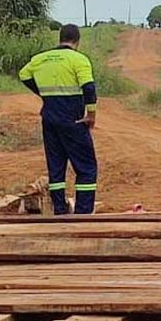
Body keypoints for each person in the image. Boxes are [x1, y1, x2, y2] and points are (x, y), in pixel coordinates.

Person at [18, 24, 97, 214]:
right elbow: (89, 88)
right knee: (86, 168)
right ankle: (83, 213)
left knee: (56, 167)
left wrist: (45, 94)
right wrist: (91, 115)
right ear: (77, 41)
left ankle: (60, 211)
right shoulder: (79, 59)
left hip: (50, 119)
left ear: (60, 38)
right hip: (74, 120)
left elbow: (23, 74)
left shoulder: (40, 58)